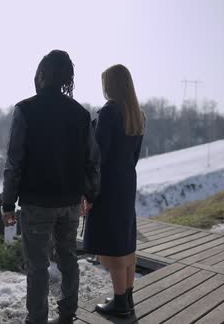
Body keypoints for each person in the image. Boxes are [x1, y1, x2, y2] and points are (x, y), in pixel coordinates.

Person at [2, 50, 100, 324]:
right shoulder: (80, 114)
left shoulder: (25, 110)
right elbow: (92, 159)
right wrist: (90, 193)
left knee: (38, 267)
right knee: (68, 259)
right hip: (70, 202)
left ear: (42, 74)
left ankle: (38, 320)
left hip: (36, 205)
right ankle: (67, 314)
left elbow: (14, 161)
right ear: (68, 77)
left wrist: (8, 204)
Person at [83, 64, 145, 318]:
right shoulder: (137, 114)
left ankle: (120, 303)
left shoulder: (109, 113)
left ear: (110, 85)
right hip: (127, 181)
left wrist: (89, 193)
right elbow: (134, 155)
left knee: (112, 244)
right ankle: (127, 298)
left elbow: (98, 157)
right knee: (125, 241)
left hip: (108, 185)